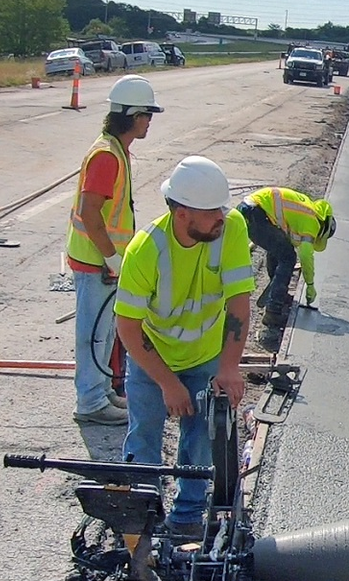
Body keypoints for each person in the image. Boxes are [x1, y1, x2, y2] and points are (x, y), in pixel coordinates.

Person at [113, 156, 253, 535]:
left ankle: (187, 517)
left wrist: (229, 366)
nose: (220, 218)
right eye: (211, 212)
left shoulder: (231, 229)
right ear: (182, 213)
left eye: (221, 209)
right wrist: (168, 384)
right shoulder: (145, 250)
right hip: (152, 356)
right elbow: (127, 325)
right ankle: (144, 518)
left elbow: (239, 301)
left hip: (205, 356)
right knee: (144, 435)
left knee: (201, 438)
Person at [65, 75, 163, 425]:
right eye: (147, 115)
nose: (149, 121)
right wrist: (111, 258)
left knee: (105, 333)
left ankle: (102, 390)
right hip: (96, 261)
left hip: (104, 261)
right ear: (133, 115)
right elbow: (90, 213)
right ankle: (89, 402)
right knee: (93, 334)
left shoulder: (116, 150)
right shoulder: (107, 156)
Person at [237, 186, 336, 351]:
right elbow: (306, 256)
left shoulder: (306, 211)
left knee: (280, 249)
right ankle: (273, 312)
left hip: (251, 209)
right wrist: (310, 285)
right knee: (288, 257)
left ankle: (276, 293)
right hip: (257, 213)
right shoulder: (312, 222)